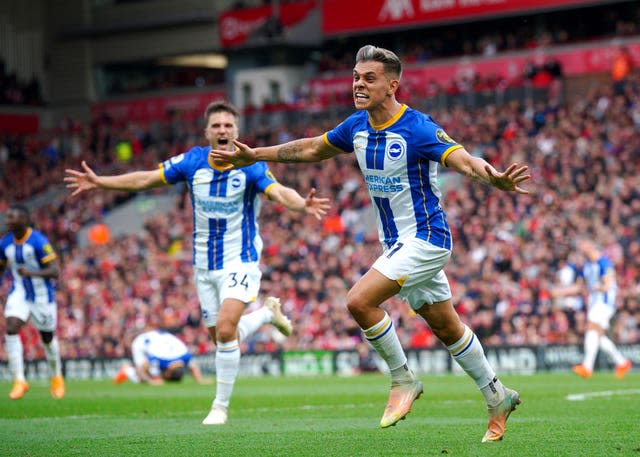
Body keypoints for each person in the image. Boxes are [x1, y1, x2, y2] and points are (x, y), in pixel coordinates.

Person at [210, 45, 530, 442]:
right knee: (447, 328)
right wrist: (254, 155)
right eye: (356, 77)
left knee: (359, 301)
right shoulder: (357, 126)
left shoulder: (417, 127)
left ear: (392, 85)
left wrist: (492, 176)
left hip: (427, 238)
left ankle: (403, 380)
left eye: (369, 79)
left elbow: (460, 158)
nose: (359, 84)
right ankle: (497, 395)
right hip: (397, 244)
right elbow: (312, 148)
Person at [65, 100, 330, 425]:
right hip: (204, 265)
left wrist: (302, 203)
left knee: (225, 328)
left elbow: (277, 192)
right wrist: (101, 182)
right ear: (207, 132)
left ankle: (219, 407)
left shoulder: (249, 165)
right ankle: (264, 315)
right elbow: (146, 179)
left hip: (241, 259)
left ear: (236, 131)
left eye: (228, 126)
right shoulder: (192, 162)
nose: (222, 130)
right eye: (216, 126)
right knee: (220, 337)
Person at [0, 204, 65, 400]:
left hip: (42, 295)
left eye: (13, 217)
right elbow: (1, 266)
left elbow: (55, 270)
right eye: (8, 216)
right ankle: (19, 380)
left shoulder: (38, 241)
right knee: (11, 326)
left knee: (47, 338)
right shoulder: (5, 243)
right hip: (19, 292)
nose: (8, 220)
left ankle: (56, 376)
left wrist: (32, 273)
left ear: (24, 220)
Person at [555, 238, 632, 379]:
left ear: (591, 246)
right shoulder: (586, 265)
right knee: (599, 336)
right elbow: (579, 286)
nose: (581, 249)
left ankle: (587, 366)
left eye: (583, 245)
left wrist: (597, 287)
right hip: (595, 303)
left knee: (591, 327)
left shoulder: (604, 263)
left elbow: (608, 285)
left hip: (604, 302)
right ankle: (622, 362)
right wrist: (560, 292)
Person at [113, 329, 210, 385]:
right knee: (142, 378)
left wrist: (200, 380)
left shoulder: (184, 355)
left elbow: (193, 366)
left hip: (159, 340)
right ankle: (128, 370)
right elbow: (143, 370)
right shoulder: (159, 358)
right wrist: (151, 380)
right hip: (141, 342)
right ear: (168, 372)